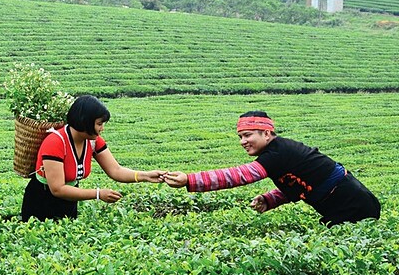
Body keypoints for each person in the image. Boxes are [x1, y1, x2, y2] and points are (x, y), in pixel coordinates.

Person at [164, 111, 380, 226]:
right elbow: (301, 182)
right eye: (240, 137)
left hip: (352, 203)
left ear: (266, 134)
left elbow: (240, 176)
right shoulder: (277, 153)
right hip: (341, 202)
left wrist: (189, 180)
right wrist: (270, 199)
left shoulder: (278, 151)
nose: (242, 142)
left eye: (248, 135)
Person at [21, 95, 166, 221]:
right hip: (41, 201)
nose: (102, 128)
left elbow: (115, 170)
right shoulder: (55, 142)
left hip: (70, 200)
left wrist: (145, 176)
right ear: (85, 121)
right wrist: (98, 194)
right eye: (99, 124)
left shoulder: (93, 141)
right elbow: (58, 189)